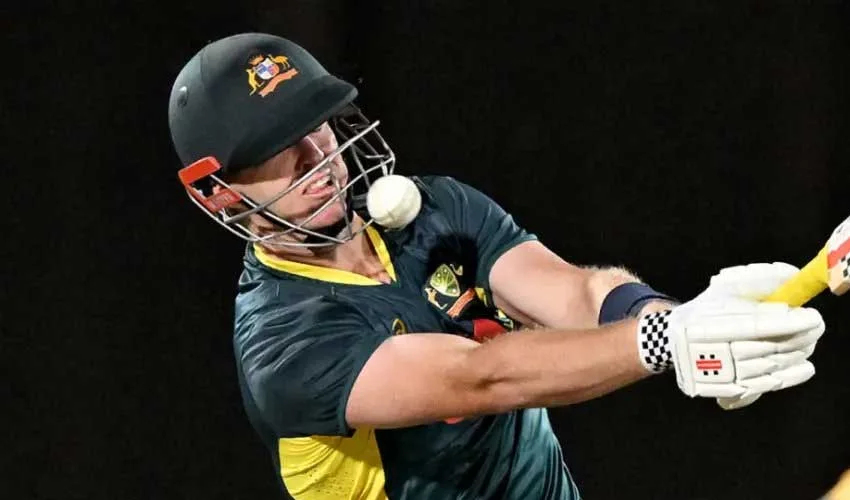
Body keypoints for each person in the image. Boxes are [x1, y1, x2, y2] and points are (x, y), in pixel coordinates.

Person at [167, 33, 826, 499]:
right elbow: (482, 377)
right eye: (276, 149)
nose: (320, 156)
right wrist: (666, 343)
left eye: (314, 123)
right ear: (217, 192)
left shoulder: (436, 210)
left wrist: (679, 320)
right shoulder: (284, 343)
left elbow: (572, 293)